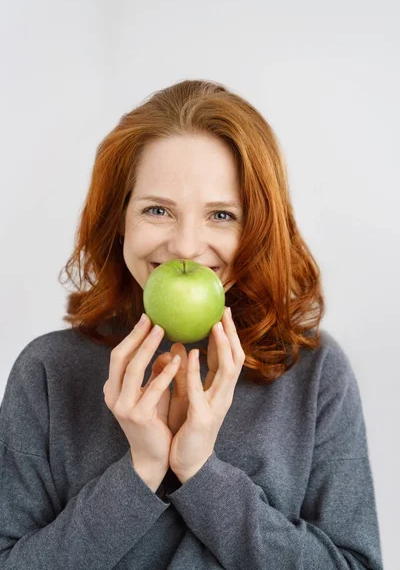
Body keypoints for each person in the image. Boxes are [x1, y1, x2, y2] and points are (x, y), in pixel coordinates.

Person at [0, 79, 383, 569]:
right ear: (121, 218)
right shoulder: (48, 370)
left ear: (256, 229)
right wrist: (139, 471)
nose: (185, 247)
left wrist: (201, 473)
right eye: (157, 210)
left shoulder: (314, 372)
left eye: (221, 215)